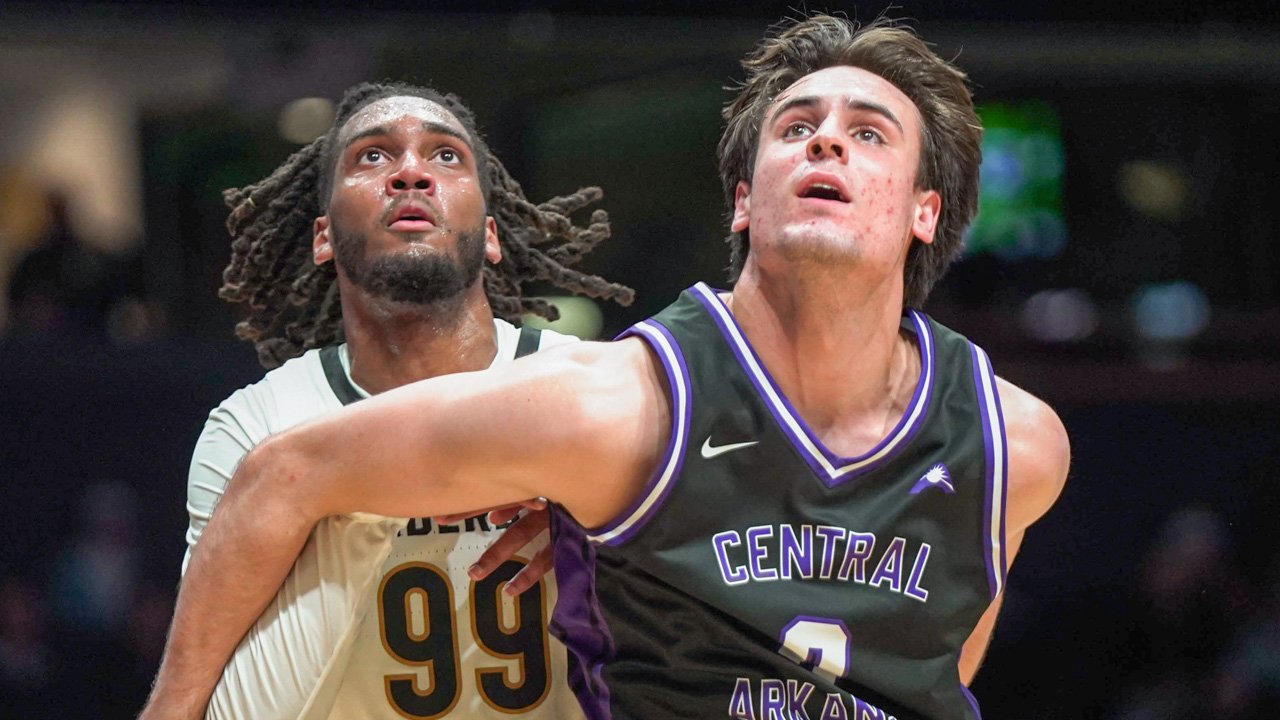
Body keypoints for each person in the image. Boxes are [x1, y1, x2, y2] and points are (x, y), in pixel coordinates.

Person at [146, 16, 1070, 720]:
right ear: (743, 201)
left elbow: (940, 667)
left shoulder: (1016, 446)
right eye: (795, 127)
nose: (826, 140)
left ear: (924, 210)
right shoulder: (615, 408)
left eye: (870, 133)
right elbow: (286, 471)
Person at [140, 80, 632, 720]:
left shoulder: (589, 389)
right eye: (372, 156)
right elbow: (212, 689)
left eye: (445, 156)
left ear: (489, 234)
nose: (410, 173)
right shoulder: (254, 425)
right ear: (323, 238)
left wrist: (613, 531)